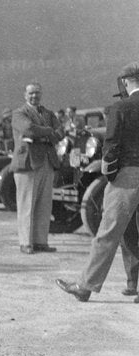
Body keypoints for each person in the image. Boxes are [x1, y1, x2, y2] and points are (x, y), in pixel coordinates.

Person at [57, 64, 139, 303]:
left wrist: (110, 173)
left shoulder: (121, 107)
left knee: (108, 231)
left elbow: (111, 144)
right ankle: (133, 284)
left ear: (125, 82)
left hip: (128, 175)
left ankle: (85, 285)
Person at [10, 83, 64, 254]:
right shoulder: (19, 113)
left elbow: (61, 132)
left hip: (47, 162)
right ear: (25, 95)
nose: (35, 96)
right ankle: (26, 242)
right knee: (27, 204)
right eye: (31, 93)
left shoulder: (48, 113)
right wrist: (49, 132)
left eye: (37, 93)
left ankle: (41, 242)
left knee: (44, 205)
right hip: (28, 163)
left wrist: (45, 134)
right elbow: (28, 129)